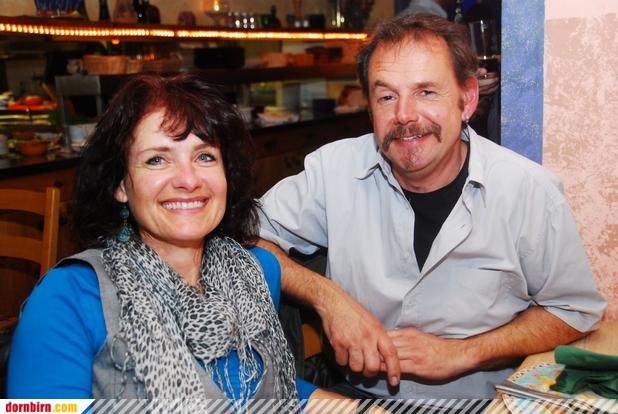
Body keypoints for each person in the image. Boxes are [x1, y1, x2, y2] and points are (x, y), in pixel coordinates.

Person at [257, 13, 607, 399]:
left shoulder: (528, 190)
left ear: (467, 99)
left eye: (426, 92)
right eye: (387, 96)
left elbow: (574, 311)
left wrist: (463, 353)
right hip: (358, 396)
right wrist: (328, 298)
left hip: (484, 401)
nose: (404, 115)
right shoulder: (332, 170)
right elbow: (243, 234)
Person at [6, 73, 353, 408]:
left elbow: (270, 389)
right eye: (157, 159)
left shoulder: (255, 272)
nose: (188, 179)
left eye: (205, 157)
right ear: (120, 185)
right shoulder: (68, 297)